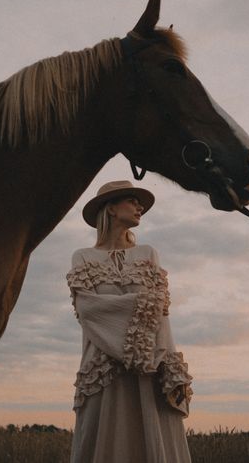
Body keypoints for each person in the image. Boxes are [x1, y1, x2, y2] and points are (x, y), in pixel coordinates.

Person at [67, 180, 193, 463]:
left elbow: (161, 314)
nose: (140, 207)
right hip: (103, 374)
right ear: (111, 208)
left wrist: (169, 366)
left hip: (150, 370)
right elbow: (90, 310)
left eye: (142, 204)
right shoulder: (83, 257)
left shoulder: (148, 254)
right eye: (132, 200)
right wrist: (142, 312)